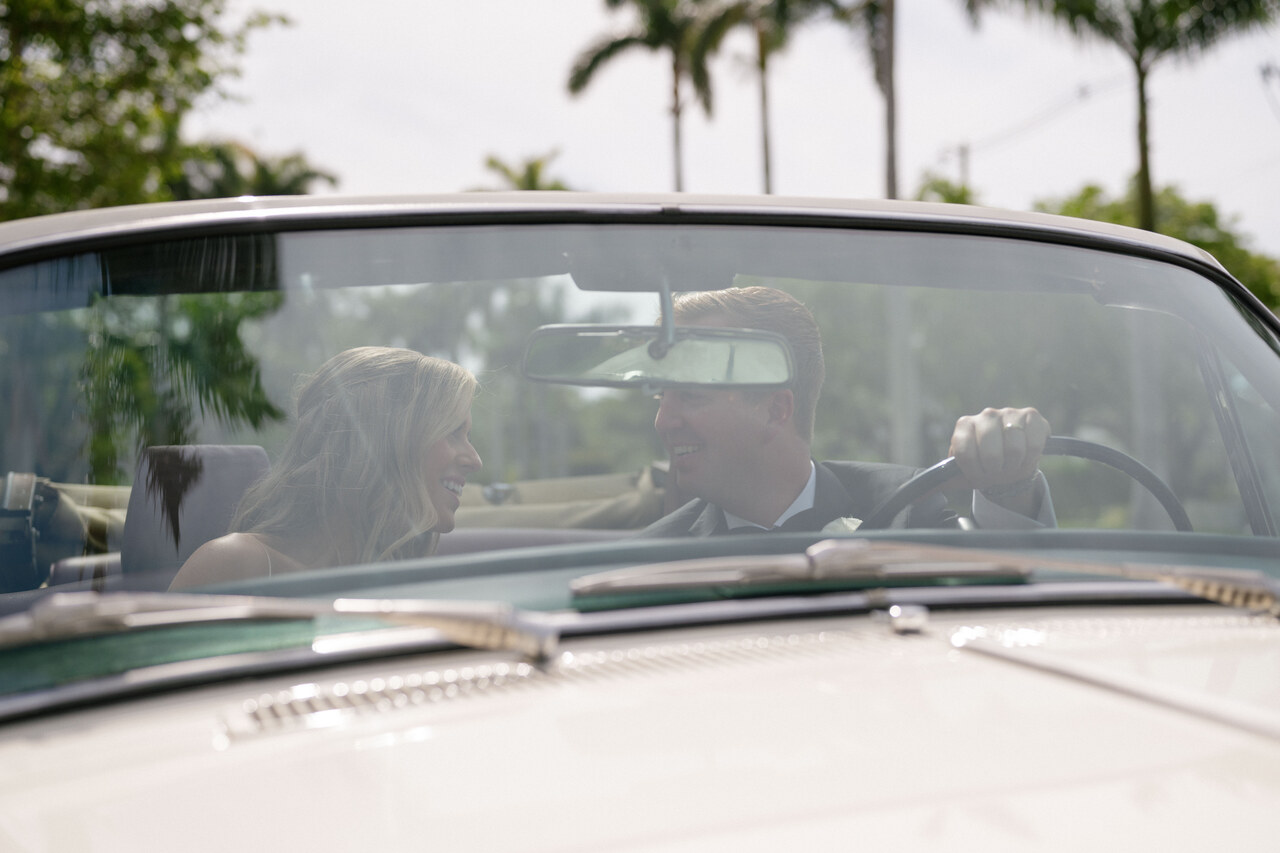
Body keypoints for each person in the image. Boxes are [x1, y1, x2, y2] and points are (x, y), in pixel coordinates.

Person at [639, 286, 1054, 537]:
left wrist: (1009, 486)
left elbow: (1005, 601)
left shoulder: (903, 507)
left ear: (774, 410)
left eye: (691, 396)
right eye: (662, 399)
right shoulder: (654, 559)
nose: (664, 422)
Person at [170, 347, 482, 588]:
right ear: (384, 442)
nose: (474, 460)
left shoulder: (410, 579)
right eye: (453, 432)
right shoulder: (234, 565)